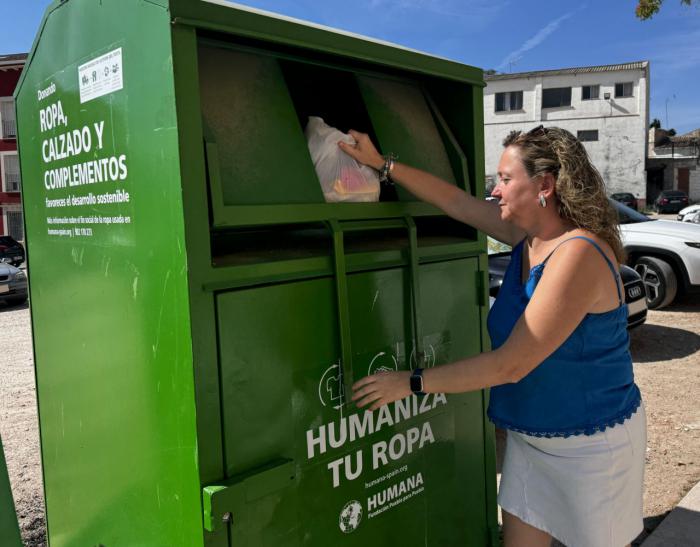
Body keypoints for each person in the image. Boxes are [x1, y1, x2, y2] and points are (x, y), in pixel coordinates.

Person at [339, 126, 645, 547]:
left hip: (589, 447)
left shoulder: (578, 253)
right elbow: (455, 202)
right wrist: (382, 165)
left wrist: (410, 382)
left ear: (545, 186)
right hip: (529, 437)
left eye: (504, 179)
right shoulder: (527, 238)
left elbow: (511, 365)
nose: (495, 190)